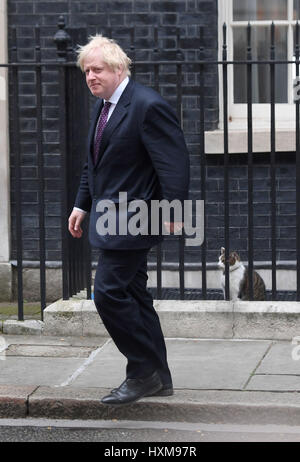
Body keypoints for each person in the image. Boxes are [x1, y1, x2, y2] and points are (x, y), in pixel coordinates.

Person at [68, 35, 190, 405]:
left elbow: (175, 164)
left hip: (136, 218)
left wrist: (173, 210)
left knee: (106, 293)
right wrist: (81, 204)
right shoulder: (104, 107)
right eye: (87, 70)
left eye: (98, 69)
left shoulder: (147, 105)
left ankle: (141, 372)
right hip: (109, 217)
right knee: (135, 296)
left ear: (119, 68)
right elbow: (95, 163)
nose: (91, 76)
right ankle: (159, 376)